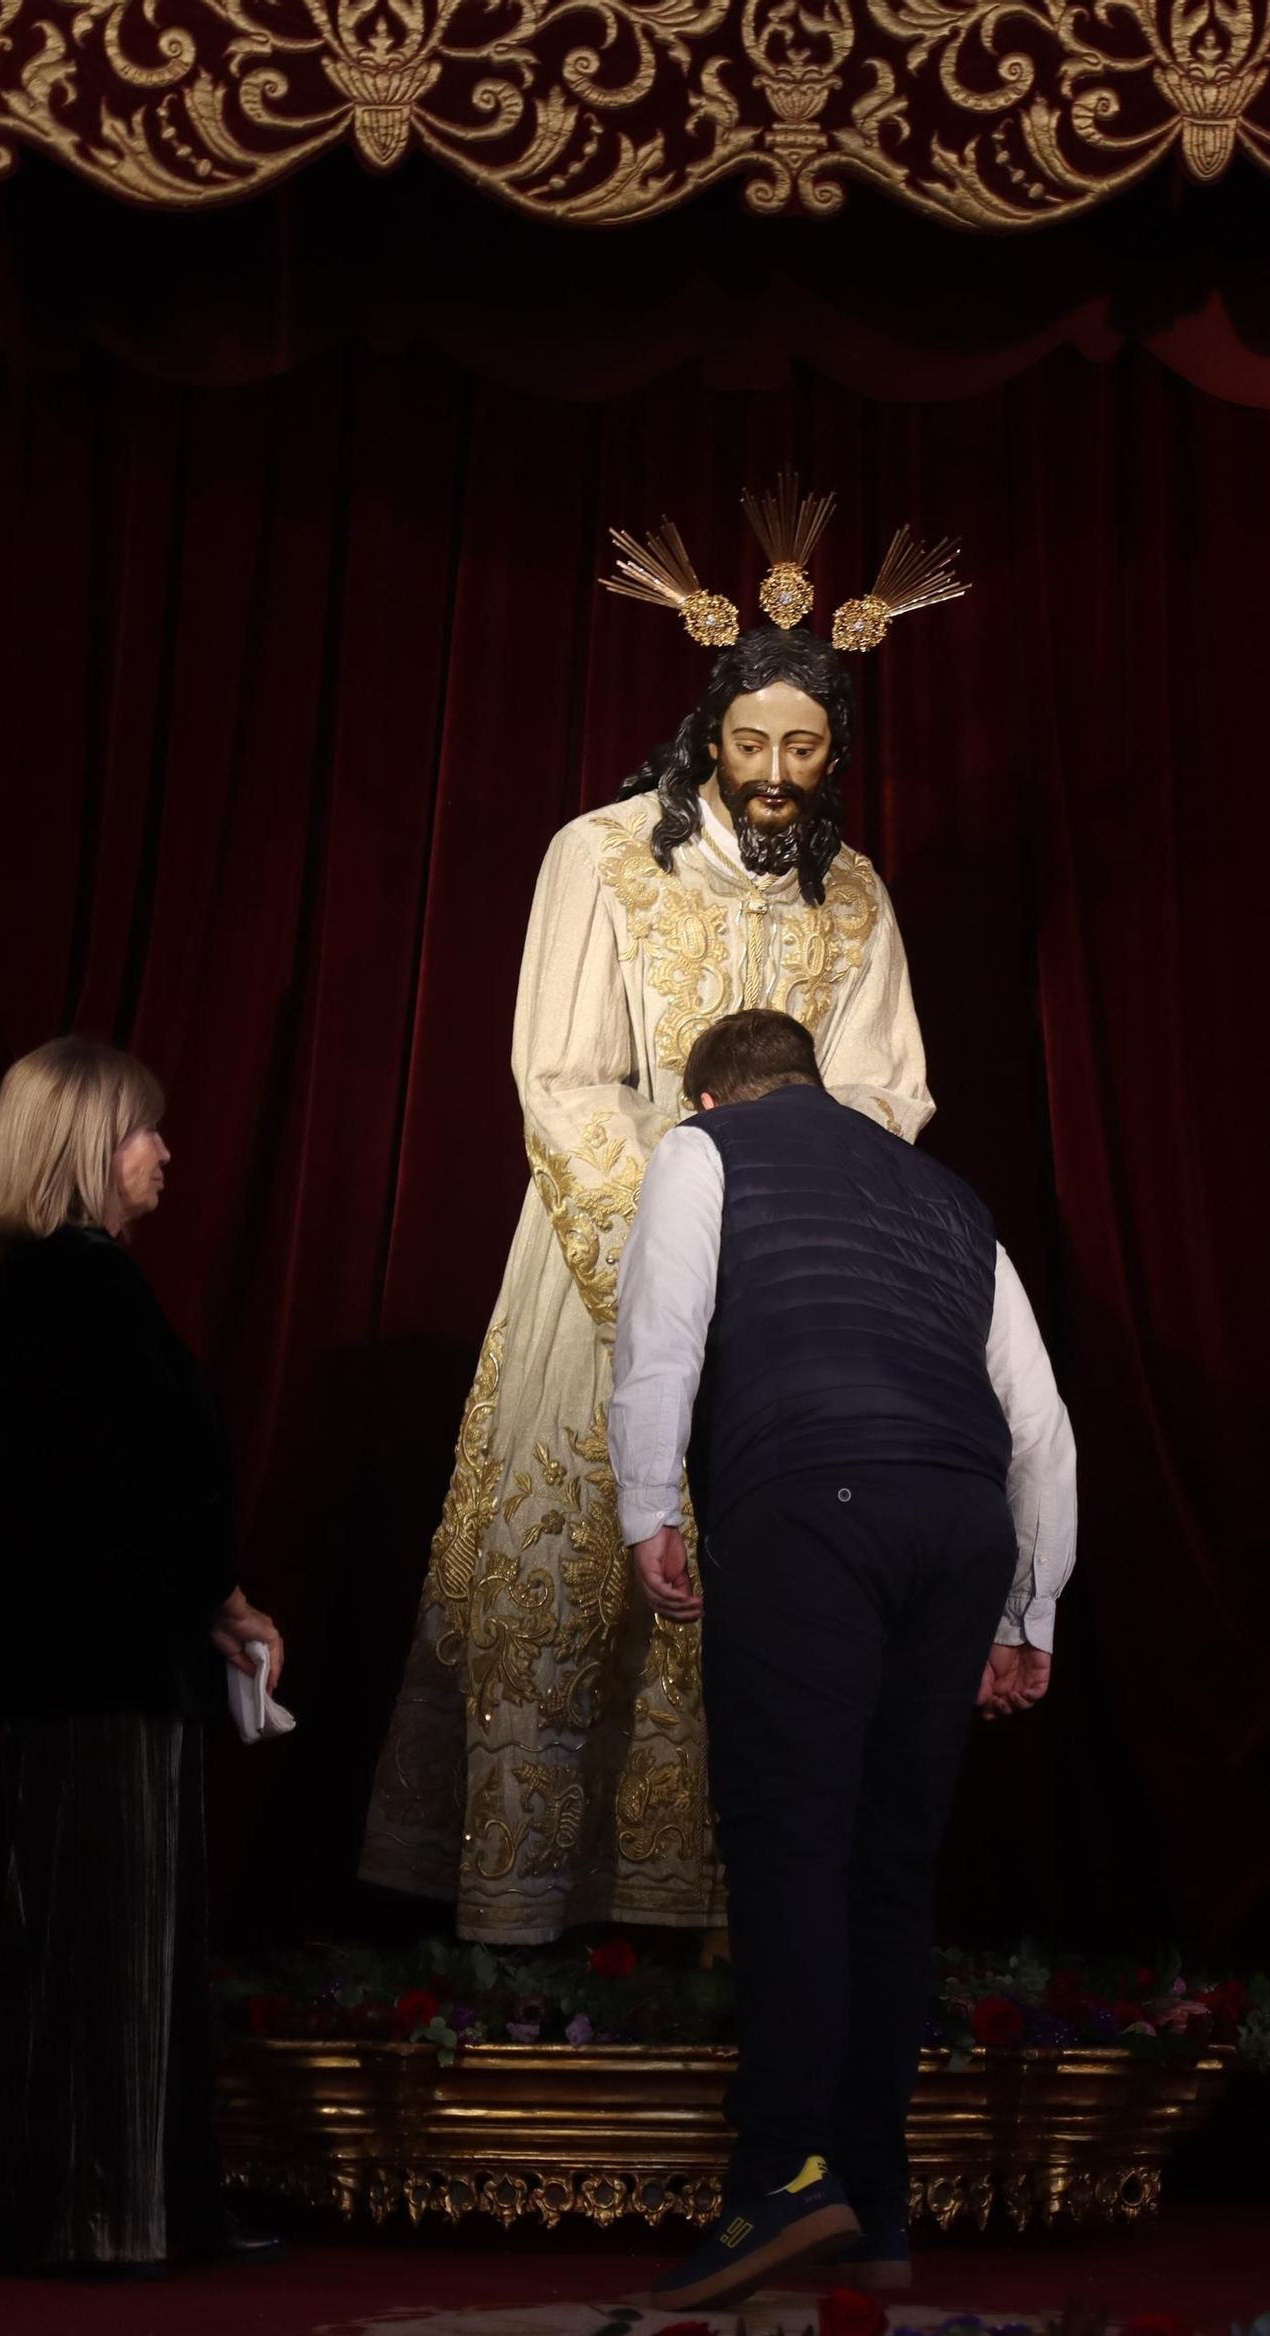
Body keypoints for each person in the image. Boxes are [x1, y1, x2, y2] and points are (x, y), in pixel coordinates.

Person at [362, 606, 938, 1944]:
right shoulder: (604, 858)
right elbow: (560, 1073)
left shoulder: (851, 891)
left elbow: (883, 1085)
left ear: (834, 747)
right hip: (607, 1258)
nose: (778, 773)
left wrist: (799, 1234)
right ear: (708, 736)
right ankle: (528, 1919)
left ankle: (736, 1919)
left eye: (804, 746)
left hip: (795, 1285)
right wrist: (673, 1243)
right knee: (569, 1563)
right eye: (752, 743)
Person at [608, 1007, 1077, 2309]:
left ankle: (777, 2186)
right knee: (888, 1871)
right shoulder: (947, 1197)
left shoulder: (709, 1155)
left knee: (791, 1850)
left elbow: (661, 1335)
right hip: (961, 1530)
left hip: (813, 1507)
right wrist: (1026, 1617)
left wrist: (650, 1507)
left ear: (711, 1100)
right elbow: (1040, 1428)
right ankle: (873, 2208)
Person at [0, 1036, 285, 2278]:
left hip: (92, 1664)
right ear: (84, 1148)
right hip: (91, 1672)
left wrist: (208, 1601)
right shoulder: (76, 1288)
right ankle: (108, 2215)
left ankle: (120, 2210)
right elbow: (143, 1481)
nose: (164, 1152)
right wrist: (223, 1593)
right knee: (112, 1947)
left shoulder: (70, 1285)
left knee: (109, 1943)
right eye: (142, 1132)